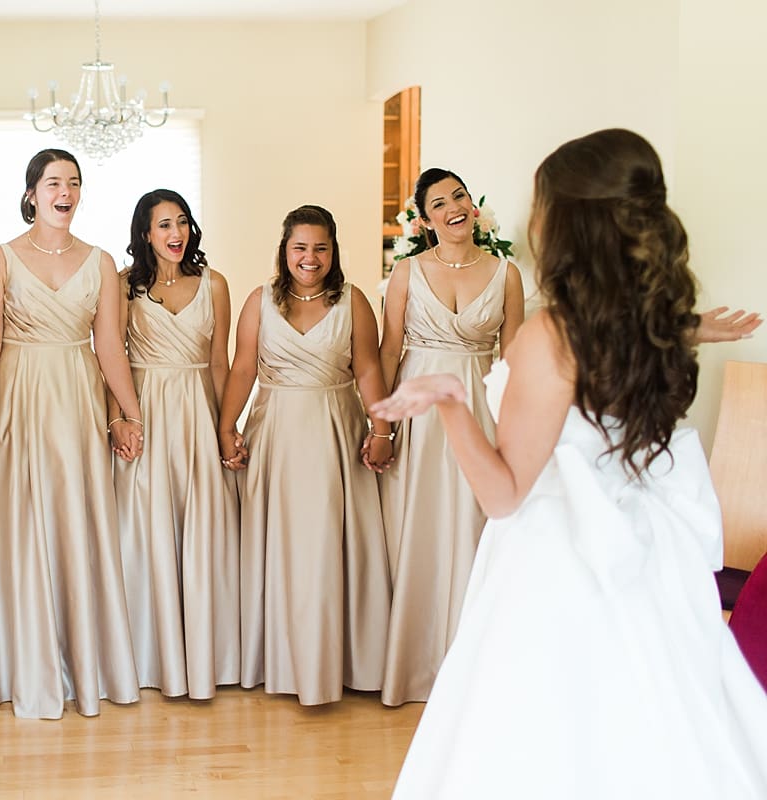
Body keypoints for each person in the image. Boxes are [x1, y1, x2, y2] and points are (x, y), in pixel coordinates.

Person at [375, 129, 767, 798]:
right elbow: (645, 333)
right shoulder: (654, 324)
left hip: (556, 559)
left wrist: (449, 403)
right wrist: (695, 325)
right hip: (650, 555)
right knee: (653, 725)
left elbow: (504, 495)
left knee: (545, 735)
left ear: (567, 221)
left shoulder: (551, 335)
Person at [0, 149, 141, 719]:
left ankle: (79, 662)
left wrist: (129, 414)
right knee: (18, 524)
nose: (65, 191)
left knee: (72, 521)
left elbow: (109, 345)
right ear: (32, 193)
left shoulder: (101, 261)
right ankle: (22, 663)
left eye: (74, 182)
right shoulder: (0, 260)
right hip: (16, 393)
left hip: (76, 395)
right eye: (53, 182)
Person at [217, 204, 392, 705]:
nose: (309, 257)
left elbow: (369, 372)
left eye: (320, 247)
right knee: (283, 545)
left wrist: (383, 429)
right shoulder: (260, 302)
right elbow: (242, 369)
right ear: (284, 251)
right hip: (276, 436)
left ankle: (335, 660)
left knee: (328, 546)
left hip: (335, 431)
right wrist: (226, 428)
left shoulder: (353, 302)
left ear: (333, 250)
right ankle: (283, 658)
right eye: (300, 248)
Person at [376, 168, 526, 706]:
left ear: (472, 204)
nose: (454, 207)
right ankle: (412, 664)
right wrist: (383, 425)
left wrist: (513, 433)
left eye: (459, 196)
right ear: (425, 219)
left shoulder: (506, 274)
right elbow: (389, 350)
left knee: (472, 528)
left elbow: (511, 362)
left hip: (477, 408)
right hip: (419, 413)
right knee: (417, 527)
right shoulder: (407, 272)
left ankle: (470, 667)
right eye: (439, 203)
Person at [109, 189, 240, 699]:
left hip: (196, 409)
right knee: (143, 527)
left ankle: (209, 653)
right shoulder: (122, 286)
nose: (175, 234)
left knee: (202, 526)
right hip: (144, 408)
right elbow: (109, 357)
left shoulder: (216, 284)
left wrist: (226, 426)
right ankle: (148, 654)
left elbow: (220, 363)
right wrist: (117, 419)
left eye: (182, 223)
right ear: (145, 233)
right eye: (163, 225)